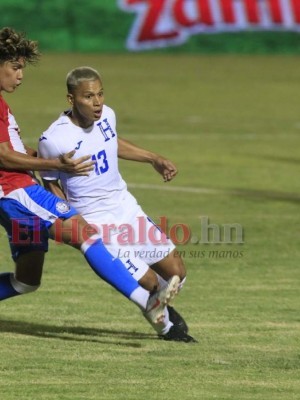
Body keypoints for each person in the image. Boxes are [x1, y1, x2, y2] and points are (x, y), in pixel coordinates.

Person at [0, 27, 180, 331]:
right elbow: (4, 156)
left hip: (7, 200)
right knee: (88, 235)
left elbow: (8, 149)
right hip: (18, 192)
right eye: (15, 68)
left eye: (22, 68)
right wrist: (53, 162)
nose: (20, 76)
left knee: (25, 280)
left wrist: (37, 154)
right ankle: (146, 300)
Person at [37, 66, 196, 342]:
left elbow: (112, 142)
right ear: (71, 99)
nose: (97, 102)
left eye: (100, 94)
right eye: (89, 96)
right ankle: (169, 328)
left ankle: (160, 306)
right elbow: (50, 184)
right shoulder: (53, 139)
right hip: (96, 222)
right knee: (147, 282)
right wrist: (73, 223)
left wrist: (152, 158)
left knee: (177, 273)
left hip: (126, 208)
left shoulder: (107, 115)